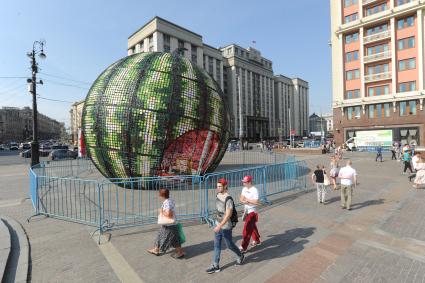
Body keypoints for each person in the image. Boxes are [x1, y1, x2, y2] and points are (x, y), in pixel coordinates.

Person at [206, 178, 244, 274]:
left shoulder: (228, 199)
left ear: (225, 186)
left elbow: (228, 215)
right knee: (217, 244)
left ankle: (240, 255)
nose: (218, 188)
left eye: (220, 186)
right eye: (217, 186)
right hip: (218, 224)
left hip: (226, 226)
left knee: (229, 245)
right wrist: (214, 221)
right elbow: (219, 210)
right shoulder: (218, 195)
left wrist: (220, 226)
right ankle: (216, 265)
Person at [147, 188, 184, 258]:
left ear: (161, 195)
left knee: (173, 238)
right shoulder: (170, 199)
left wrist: (161, 211)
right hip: (171, 224)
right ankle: (156, 249)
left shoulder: (167, 203)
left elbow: (169, 215)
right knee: (161, 235)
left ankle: (180, 252)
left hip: (169, 224)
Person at [239, 175, 261, 253]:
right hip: (246, 211)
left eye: (245, 182)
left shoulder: (254, 190)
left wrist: (247, 200)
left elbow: (257, 202)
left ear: (249, 182)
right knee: (252, 226)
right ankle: (257, 240)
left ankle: (243, 247)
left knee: (246, 229)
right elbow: (241, 198)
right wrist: (244, 201)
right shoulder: (244, 189)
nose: (243, 183)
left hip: (252, 211)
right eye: (243, 182)